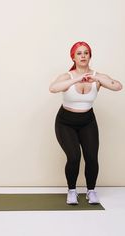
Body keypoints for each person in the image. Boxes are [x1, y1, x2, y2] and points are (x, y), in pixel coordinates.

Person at [49, 41, 123, 205]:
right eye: (79, 53)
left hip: (87, 121)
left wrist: (95, 78)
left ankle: (91, 191)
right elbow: (53, 88)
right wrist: (76, 80)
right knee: (74, 157)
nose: (83, 56)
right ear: (73, 57)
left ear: (89, 56)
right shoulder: (67, 77)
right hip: (65, 122)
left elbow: (118, 86)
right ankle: (72, 191)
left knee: (91, 157)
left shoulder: (97, 76)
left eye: (86, 53)